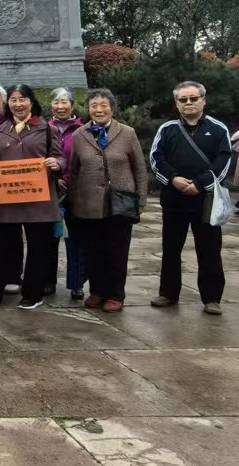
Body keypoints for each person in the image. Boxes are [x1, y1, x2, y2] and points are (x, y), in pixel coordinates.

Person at [0, 85, 64, 311]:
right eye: (13, 100)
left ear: (31, 102)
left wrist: (57, 163)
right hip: (7, 197)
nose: (18, 104)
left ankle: (33, 294)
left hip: (39, 199)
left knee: (38, 248)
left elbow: (59, 157)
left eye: (23, 99)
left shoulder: (47, 129)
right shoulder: (2, 129)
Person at [149, 81, 231, 315]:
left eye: (193, 98)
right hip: (174, 199)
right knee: (171, 249)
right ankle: (168, 293)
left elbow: (224, 161)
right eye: (183, 100)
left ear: (203, 100)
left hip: (206, 200)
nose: (188, 103)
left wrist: (200, 184)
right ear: (176, 103)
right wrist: (173, 179)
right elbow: (156, 159)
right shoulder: (167, 129)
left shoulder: (218, 129)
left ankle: (212, 298)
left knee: (209, 250)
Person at [65, 89, 147, 312]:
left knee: (117, 250)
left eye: (103, 105)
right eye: (94, 106)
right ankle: (97, 291)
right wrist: (73, 201)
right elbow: (74, 170)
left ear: (112, 108)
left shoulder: (127, 133)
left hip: (120, 202)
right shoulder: (79, 134)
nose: (99, 110)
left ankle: (115, 294)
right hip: (89, 203)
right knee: (93, 250)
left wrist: (140, 201)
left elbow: (140, 169)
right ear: (88, 109)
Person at [47, 88, 86, 300]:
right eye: (56, 102)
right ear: (51, 105)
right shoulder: (43, 128)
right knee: (49, 238)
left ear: (72, 104)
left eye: (64, 102)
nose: (60, 106)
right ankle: (48, 281)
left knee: (76, 239)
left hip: (76, 192)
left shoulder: (83, 130)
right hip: (50, 192)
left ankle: (76, 283)